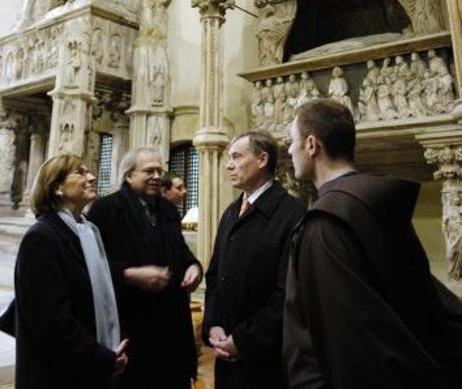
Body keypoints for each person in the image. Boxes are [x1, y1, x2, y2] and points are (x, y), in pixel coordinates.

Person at [284, 99, 462, 389]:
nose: (289, 150)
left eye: (292, 141)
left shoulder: (325, 223)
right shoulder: (375, 203)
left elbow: (343, 341)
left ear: (312, 145)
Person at [87, 147, 202, 389]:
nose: (157, 176)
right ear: (129, 176)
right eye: (149, 171)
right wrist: (128, 274)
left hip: (171, 324)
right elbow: (91, 265)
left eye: (159, 170)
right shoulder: (105, 210)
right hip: (133, 324)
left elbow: (180, 251)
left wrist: (193, 266)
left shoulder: (167, 208)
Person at [14, 153, 128, 389]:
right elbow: (51, 323)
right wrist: (103, 357)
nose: (92, 177)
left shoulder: (87, 232)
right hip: (58, 375)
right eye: (81, 172)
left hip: (87, 369)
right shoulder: (42, 238)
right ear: (57, 188)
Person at [203, 130, 305, 389]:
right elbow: (215, 274)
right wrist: (213, 324)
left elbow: (287, 292)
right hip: (225, 351)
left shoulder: (292, 214)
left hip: (266, 359)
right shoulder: (230, 212)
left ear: (262, 159)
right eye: (229, 157)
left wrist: (243, 340)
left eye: (237, 156)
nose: (229, 165)